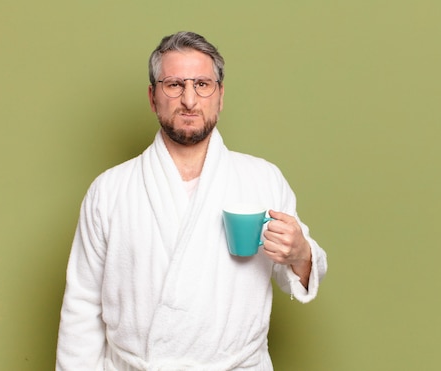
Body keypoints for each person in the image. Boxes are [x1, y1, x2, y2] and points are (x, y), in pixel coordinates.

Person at [56, 31, 328, 370]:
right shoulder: (109, 190)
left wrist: (301, 253)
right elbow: (81, 305)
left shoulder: (262, 179)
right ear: (153, 97)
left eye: (202, 84)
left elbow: (296, 271)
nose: (189, 99)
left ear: (220, 95)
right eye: (174, 85)